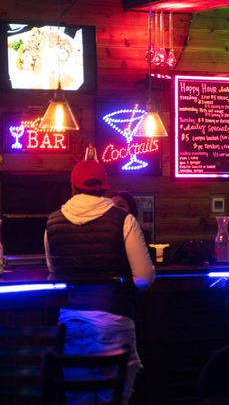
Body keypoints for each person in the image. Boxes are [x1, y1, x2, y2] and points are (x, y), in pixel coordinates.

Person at [44, 158, 156, 404]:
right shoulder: (123, 220)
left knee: (78, 399)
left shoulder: (52, 222)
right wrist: (119, 284)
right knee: (113, 399)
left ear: (72, 188)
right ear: (105, 188)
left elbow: (54, 270)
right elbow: (145, 279)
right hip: (113, 321)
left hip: (70, 322)